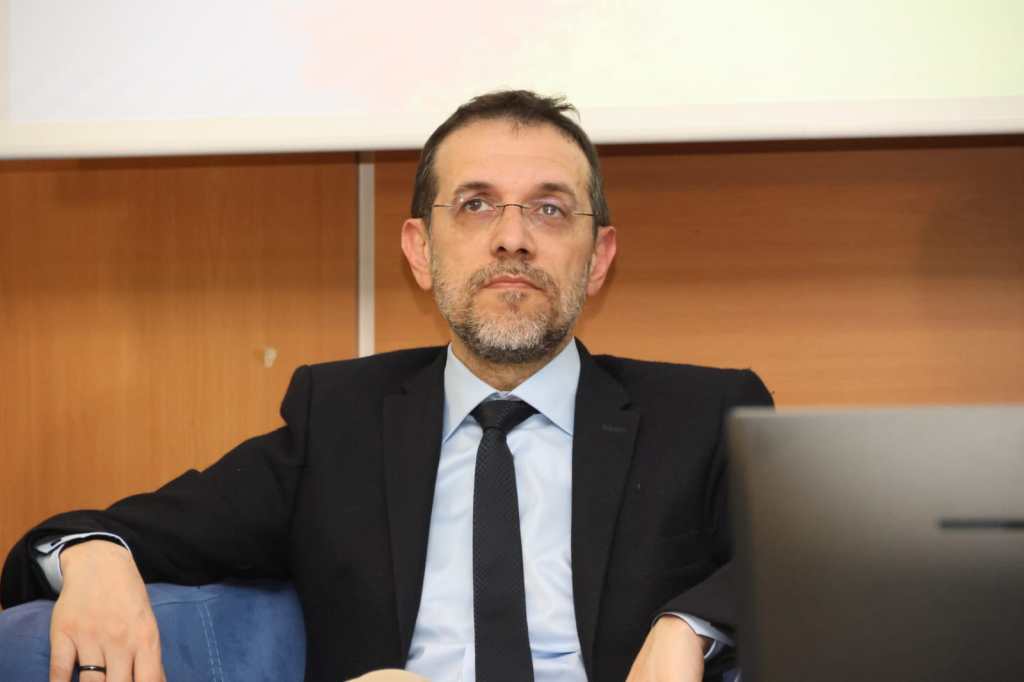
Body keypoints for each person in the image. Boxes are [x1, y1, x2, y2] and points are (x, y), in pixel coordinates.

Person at [1, 90, 773, 682]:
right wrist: (97, 552)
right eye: (474, 205)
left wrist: (687, 625)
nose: (512, 236)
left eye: (549, 207)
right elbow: (135, 529)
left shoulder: (702, 416)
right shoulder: (338, 421)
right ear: (420, 250)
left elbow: (809, 562)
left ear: (598, 256)